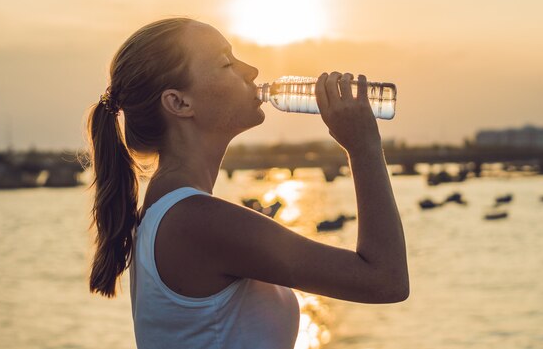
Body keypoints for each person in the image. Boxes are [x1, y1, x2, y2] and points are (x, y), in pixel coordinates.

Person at [85, 17, 409, 349]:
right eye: (227, 63)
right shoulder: (195, 221)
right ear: (179, 103)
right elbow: (385, 280)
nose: (251, 70)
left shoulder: (170, 210)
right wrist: (363, 146)